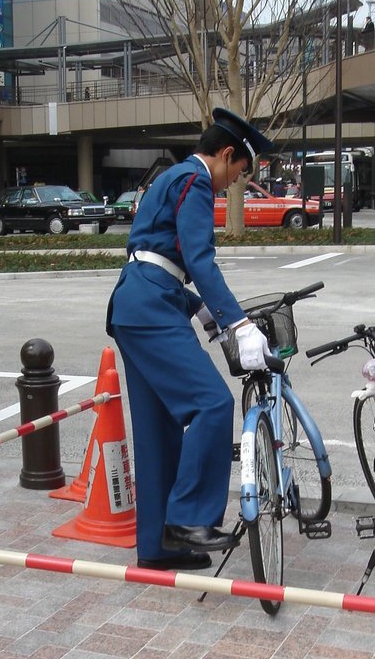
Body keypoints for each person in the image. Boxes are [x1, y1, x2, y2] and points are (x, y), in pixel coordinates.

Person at [106, 107, 275, 571]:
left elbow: (149, 254)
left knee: (158, 429)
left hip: (138, 303)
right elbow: (199, 258)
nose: (233, 183)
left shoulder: (170, 178)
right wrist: (237, 323)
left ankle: (160, 548)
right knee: (212, 404)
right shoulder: (196, 182)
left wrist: (193, 306)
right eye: (238, 171)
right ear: (224, 155)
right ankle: (189, 520)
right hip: (151, 307)